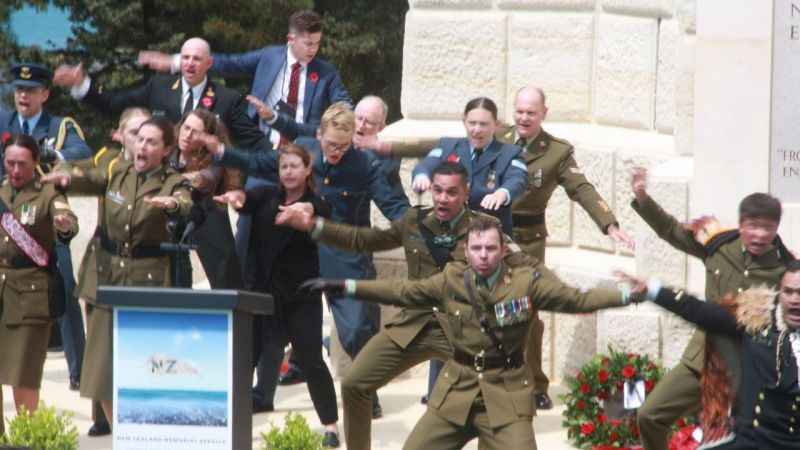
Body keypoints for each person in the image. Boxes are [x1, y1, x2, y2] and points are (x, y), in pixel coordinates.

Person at [301, 215, 638, 450]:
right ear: (467, 250)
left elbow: (578, 299)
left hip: (505, 395)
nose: (483, 256)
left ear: (503, 250)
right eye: (476, 249)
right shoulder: (451, 279)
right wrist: (345, 286)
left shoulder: (525, 284)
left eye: (490, 249)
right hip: (457, 390)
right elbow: (402, 291)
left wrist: (632, 294)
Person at [277, 161, 531, 450]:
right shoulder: (414, 221)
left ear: (465, 193)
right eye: (437, 191)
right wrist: (314, 226)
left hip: (462, 332)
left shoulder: (485, 231)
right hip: (413, 325)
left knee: (490, 396)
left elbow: (525, 273)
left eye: (451, 192)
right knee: (354, 384)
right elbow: (364, 239)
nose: (443, 198)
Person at [203, 101, 408, 416]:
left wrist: (419, 230)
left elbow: (393, 204)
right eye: (330, 145)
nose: (336, 152)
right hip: (296, 257)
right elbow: (260, 162)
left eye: (343, 145)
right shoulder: (303, 152)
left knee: (356, 331)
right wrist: (222, 153)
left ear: (353, 137)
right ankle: (262, 394)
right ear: (320, 136)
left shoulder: (365, 165)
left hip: (346, 258)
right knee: (271, 331)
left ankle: (368, 392)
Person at [43, 117, 193, 427]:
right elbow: (90, 178)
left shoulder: (172, 180)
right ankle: (122, 436)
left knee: (144, 365)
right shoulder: (118, 171)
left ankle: (144, 435)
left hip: (146, 282)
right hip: (108, 278)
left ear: (165, 150)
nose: (143, 146)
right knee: (101, 370)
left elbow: (185, 202)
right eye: (140, 139)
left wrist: (173, 205)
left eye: (152, 142)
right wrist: (64, 176)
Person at [630, 168, 791, 450]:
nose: (759, 234)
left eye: (767, 227)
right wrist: (643, 197)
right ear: (740, 225)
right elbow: (671, 231)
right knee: (650, 415)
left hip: (747, 370)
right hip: (703, 359)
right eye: (753, 225)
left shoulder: (784, 269)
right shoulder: (719, 246)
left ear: (777, 228)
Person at [497, 86, 633, 409]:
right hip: (491, 240)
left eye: (531, 112)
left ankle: (534, 384)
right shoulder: (497, 140)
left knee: (526, 312)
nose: (524, 118)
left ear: (544, 113)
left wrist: (609, 223)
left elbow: (581, 188)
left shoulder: (555, 152)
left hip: (528, 243)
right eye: (519, 111)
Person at [215, 143, 341, 448]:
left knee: (311, 360)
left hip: (301, 296)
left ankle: (331, 426)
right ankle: (227, 420)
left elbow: (320, 211)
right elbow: (246, 200)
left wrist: (304, 212)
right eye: (284, 166)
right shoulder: (266, 196)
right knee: (246, 358)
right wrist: (236, 196)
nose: (288, 172)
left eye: (295, 166)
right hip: (263, 295)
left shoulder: (317, 202)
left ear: (308, 169)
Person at [620, 260, 800, 450]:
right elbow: (701, 311)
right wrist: (653, 290)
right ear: (780, 292)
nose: (795, 299)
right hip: (750, 442)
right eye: (788, 292)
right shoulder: (757, 318)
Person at [0, 63, 92, 395]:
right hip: (7, 224)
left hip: (47, 222)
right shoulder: (4, 122)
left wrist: (50, 153)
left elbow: (83, 156)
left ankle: (78, 371)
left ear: (45, 94)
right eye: (19, 90)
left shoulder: (59, 125)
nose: (23, 95)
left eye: (31, 90)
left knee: (65, 292)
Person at [139, 9, 351, 148]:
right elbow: (231, 63)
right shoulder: (268, 57)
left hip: (304, 150)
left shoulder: (326, 72)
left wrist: (354, 118)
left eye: (317, 43)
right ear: (291, 39)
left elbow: (343, 102)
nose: (313, 49)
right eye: (308, 43)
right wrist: (175, 62)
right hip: (261, 145)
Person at [64, 106, 151, 437]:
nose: (141, 140)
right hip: (103, 264)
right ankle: (107, 419)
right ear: (119, 135)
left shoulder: (156, 169)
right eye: (134, 133)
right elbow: (78, 173)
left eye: (147, 133)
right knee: (100, 347)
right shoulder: (109, 162)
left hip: (142, 269)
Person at [52, 37, 271, 152]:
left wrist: (285, 157)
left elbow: (252, 141)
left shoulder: (226, 99)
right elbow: (112, 104)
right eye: (185, 58)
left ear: (209, 63)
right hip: (161, 184)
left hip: (206, 191)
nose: (190, 64)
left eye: (197, 59)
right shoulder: (158, 87)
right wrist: (82, 84)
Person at [0, 134, 78, 423]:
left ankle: (26, 438)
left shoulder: (48, 195)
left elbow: (66, 219)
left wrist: (65, 226)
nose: (16, 170)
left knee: (24, 377)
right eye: (10, 163)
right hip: (1, 292)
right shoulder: (2, 192)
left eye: (22, 163)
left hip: (30, 298)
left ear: (35, 163)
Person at [411, 97, 528, 235]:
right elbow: (427, 165)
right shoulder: (448, 146)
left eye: (483, 124)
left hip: (490, 235)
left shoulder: (509, 153)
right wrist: (422, 175)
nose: (476, 129)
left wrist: (503, 193)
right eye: (472, 123)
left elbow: (518, 179)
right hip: (452, 233)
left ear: (496, 125)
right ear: (464, 122)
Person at [169, 109, 242, 288]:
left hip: (206, 217)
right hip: (173, 217)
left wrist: (176, 180)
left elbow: (205, 178)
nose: (187, 135)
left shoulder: (214, 160)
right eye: (186, 128)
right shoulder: (167, 151)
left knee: (225, 276)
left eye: (195, 132)